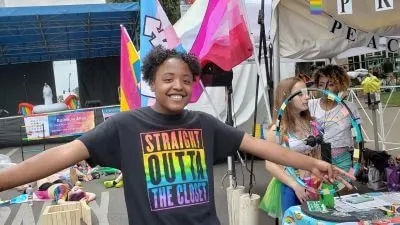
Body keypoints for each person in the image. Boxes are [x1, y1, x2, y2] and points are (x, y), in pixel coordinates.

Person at [0, 46, 353, 225]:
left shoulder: (205, 124)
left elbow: (260, 147)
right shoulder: (124, 126)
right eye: (168, 79)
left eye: (186, 80)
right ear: (151, 83)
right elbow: (61, 156)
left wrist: (312, 164)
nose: (178, 86)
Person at [260, 77, 325, 219]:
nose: (307, 97)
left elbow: (317, 156)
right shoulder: (277, 130)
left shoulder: (312, 123)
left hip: (314, 184)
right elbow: (269, 164)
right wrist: (295, 185)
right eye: (300, 94)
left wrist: (320, 177)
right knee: (295, 221)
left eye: (307, 92)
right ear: (287, 98)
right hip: (290, 186)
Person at [309, 65, 361, 177]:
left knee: (342, 190)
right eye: (321, 85)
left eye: (331, 84)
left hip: (343, 160)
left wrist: (359, 159)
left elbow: (358, 137)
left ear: (340, 85)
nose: (325, 89)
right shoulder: (309, 105)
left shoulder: (350, 108)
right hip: (317, 160)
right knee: (320, 192)